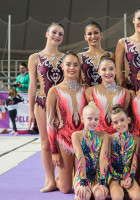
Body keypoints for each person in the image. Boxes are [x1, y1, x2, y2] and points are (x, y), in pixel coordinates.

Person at [27, 22, 65, 192]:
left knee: (62, 143)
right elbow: (32, 86)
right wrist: (30, 111)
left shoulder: (65, 58)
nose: (57, 35)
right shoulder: (35, 57)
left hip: (62, 103)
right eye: (54, 32)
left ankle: (60, 176)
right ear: (46, 34)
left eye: (61, 34)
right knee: (45, 144)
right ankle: (50, 179)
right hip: (42, 103)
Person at [47, 52, 87, 194]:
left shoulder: (86, 89)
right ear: (62, 66)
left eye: (75, 65)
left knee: (81, 187)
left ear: (79, 67)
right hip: (63, 140)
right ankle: (61, 177)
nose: (72, 68)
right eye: (68, 64)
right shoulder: (54, 90)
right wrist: (54, 151)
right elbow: (50, 123)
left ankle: (70, 174)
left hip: (82, 141)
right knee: (65, 189)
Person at [72, 101, 110, 200]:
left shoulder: (103, 136)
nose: (93, 122)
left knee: (100, 196)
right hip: (82, 176)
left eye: (96, 119)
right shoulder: (76, 135)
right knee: (83, 196)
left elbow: (103, 159)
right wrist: (83, 181)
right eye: (89, 118)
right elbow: (80, 158)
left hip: (97, 176)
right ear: (82, 119)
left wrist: (102, 181)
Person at [85, 53, 130, 135]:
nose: (108, 72)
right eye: (104, 69)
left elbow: (124, 115)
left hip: (118, 136)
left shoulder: (126, 93)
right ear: (99, 72)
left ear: (116, 70)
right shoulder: (89, 91)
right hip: (98, 136)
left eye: (111, 69)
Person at [108, 104, 140, 200]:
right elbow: (107, 163)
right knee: (118, 197)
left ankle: (125, 190)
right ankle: (117, 189)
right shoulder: (110, 139)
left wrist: (131, 177)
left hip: (127, 175)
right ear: (113, 125)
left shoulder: (135, 139)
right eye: (116, 122)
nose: (120, 124)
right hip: (113, 176)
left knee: (137, 197)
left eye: (122, 120)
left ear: (129, 120)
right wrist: (119, 179)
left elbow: (134, 162)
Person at [78, 21, 114, 86]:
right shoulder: (80, 56)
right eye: (89, 34)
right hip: (86, 94)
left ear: (101, 35)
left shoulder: (110, 55)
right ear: (85, 37)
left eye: (96, 33)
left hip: (106, 94)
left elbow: (115, 79)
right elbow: (78, 80)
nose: (93, 36)